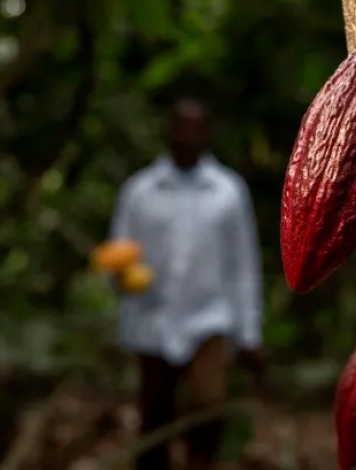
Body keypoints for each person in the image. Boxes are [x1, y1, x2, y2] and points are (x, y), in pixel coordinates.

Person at [108, 96, 264, 470]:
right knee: (154, 417)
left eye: (196, 127)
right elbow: (118, 254)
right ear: (169, 130)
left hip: (209, 319)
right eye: (180, 126)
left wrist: (249, 333)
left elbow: (242, 264)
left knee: (206, 416)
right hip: (152, 321)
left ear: (207, 133)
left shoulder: (228, 192)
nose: (186, 135)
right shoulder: (140, 191)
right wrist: (123, 281)